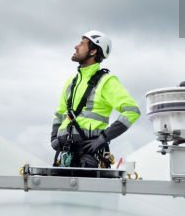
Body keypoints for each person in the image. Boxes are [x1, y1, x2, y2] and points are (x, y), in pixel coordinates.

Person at [50, 30, 141, 168]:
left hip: (90, 158)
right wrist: (54, 137)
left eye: (82, 44)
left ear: (93, 52)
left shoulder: (107, 81)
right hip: (65, 156)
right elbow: (59, 114)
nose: (76, 46)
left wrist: (103, 138)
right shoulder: (70, 82)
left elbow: (132, 111)